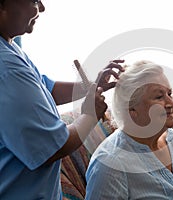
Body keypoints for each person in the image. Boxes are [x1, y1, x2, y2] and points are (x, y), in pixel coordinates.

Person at [0, 0, 124, 199]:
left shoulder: (10, 48)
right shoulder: (6, 68)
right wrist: (90, 116)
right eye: (34, 1)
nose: (41, 8)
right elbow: (51, 148)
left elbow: (45, 89)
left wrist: (91, 85)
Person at [85, 60, 173, 199]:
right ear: (132, 109)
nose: (170, 103)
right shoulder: (111, 166)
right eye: (159, 97)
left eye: (170, 94)